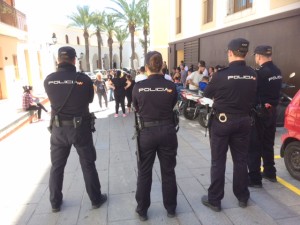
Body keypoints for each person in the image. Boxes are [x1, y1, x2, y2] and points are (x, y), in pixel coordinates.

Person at [44, 46, 107, 212]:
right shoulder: (84, 79)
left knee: (57, 167)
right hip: (80, 129)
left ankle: (55, 203)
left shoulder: (49, 80)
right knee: (88, 164)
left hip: (58, 130)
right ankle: (95, 199)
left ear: (58, 60)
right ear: (74, 60)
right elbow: (89, 99)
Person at [201, 38, 257, 212]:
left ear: (230, 52)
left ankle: (215, 200)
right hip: (244, 121)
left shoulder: (220, 75)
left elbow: (207, 95)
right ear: (246, 53)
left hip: (222, 122)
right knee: (241, 160)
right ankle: (242, 196)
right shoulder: (253, 74)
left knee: (218, 161)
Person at [132, 51, 178, 221]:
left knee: (144, 172)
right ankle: (171, 208)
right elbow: (173, 103)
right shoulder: (171, 86)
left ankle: (142, 210)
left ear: (145, 68)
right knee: (168, 171)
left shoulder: (138, 87)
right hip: (167, 130)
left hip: (147, 133)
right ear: (162, 66)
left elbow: (136, 107)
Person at [248, 45, 282, 187]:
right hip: (272, 111)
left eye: (256, 56)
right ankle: (270, 172)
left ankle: (255, 180)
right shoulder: (277, 71)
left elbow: (252, 92)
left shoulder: (259, 73)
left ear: (259, 56)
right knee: (268, 143)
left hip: (260, 113)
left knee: (255, 145)